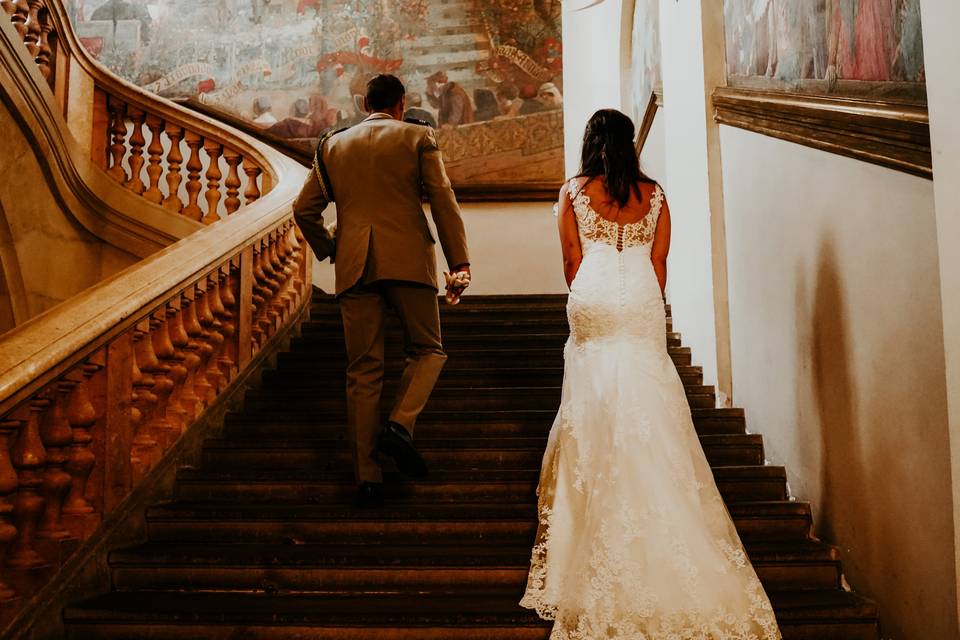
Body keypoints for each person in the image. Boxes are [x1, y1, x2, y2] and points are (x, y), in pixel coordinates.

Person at [520, 109, 781, 639]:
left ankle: (589, 508)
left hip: (592, 290)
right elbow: (660, 263)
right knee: (647, 390)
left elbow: (570, 261)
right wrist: (643, 298)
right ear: (629, 143)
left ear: (591, 143)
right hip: (640, 291)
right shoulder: (655, 194)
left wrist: (592, 289)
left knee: (591, 395)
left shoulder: (573, 191)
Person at [292, 74, 471, 508]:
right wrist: (459, 262)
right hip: (409, 259)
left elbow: (304, 210)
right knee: (428, 349)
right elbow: (443, 200)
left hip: (355, 266)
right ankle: (400, 425)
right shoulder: (417, 137)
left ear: (364, 103)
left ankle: (366, 476)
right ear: (400, 103)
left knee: (363, 371)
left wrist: (332, 247)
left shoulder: (333, 145)